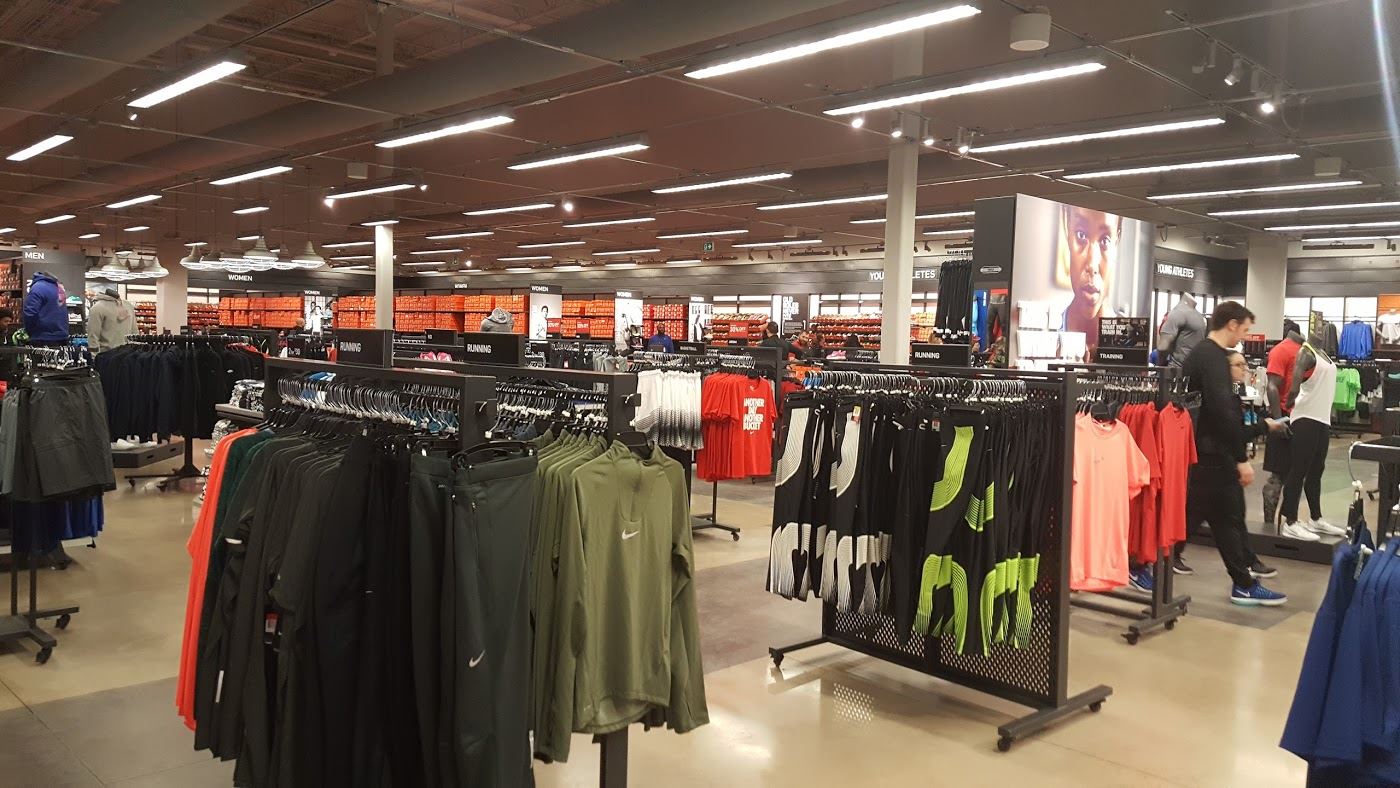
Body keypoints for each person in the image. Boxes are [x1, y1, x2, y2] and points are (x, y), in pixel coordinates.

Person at [1181, 302, 1288, 606]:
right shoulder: (1212, 357)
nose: (1243, 336)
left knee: (1213, 517)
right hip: (1211, 454)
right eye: (1244, 329)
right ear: (1231, 324)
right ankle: (1243, 582)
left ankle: (1243, 581)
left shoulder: (1207, 355)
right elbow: (1220, 412)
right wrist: (1240, 458)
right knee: (1217, 517)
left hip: (1207, 453)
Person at [1059, 205, 1121, 344]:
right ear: (1067, 228)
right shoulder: (1046, 341)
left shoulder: (1130, 345)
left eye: (1105, 240)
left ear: (1116, 243)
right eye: (1081, 235)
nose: (1092, 265)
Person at [22, 270, 68, 345]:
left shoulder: (37, 288)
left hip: (42, 337)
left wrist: (30, 332)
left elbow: (30, 313)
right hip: (62, 335)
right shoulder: (58, 288)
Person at [87, 284, 134, 353]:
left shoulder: (97, 308)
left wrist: (94, 356)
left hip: (108, 354)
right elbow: (135, 332)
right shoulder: (128, 306)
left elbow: (93, 336)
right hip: (125, 354)